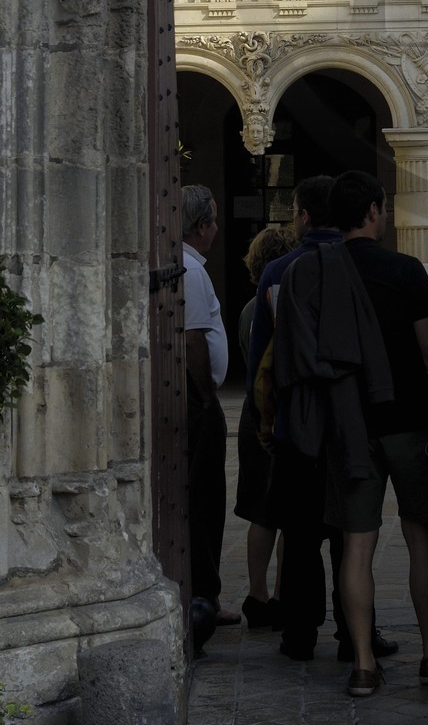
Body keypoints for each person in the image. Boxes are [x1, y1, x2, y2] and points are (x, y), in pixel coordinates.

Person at [247, 174, 397, 666]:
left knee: (301, 531)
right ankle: (357, 634)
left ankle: (299, 632)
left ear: (305, 214)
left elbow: (262, 363)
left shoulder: (279, 272)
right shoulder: (370, 268)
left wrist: (266, 421)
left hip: (298, 420)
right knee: (350, 535)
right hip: (353, 420)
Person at [323, 171, 428, 700]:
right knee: (422, 534)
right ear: (376, 210)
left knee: (356, 546)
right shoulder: (405, 270)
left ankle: (362, 664)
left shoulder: (318, 272)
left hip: (349, 427)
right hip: (409, 420)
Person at [181, 183, 235, 645]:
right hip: (197, 402)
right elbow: (194, 339)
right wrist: (203, 395)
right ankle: (203, 599)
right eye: (214, 220)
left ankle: (204, 594)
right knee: (204, 501)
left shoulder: (187, 265)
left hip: (194, 398)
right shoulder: (193, 272)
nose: (218, 228)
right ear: (201, 226)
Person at [235, 223, 296, 629]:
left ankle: (256, 593)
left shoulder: (245, 310)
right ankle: (281, 595)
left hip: (250, 412)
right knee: (289, 514)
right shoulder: (281, 302)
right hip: (278, 414)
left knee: (261, 512)